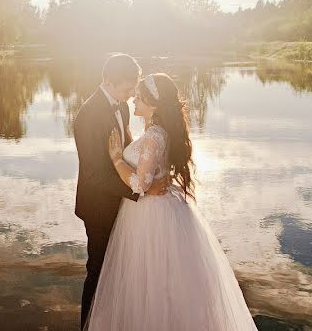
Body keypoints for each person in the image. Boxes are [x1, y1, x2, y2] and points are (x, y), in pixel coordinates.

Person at [84, 73, 257, 330]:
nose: (134, 101)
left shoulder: (154, 136)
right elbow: (151, 168)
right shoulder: (157, 132)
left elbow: (140, 184)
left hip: (149, 214)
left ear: (154, 105)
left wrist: (117, 159)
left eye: (140, 98)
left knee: (150, 280)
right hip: (159, 207)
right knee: (162, 282)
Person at [74, 54, 166, 329]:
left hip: (124, 201)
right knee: (99, 270)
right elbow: (93, 175)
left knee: (122, 270)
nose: (130, 96)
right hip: (99, 207)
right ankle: (88, 324)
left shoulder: (122, 108)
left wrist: (149, 170)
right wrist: (142, 190)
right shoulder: (87, 116)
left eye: (132, 90)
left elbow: (126, 152)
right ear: (108, 82)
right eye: (127, 89)